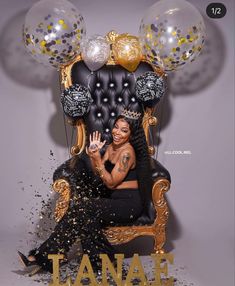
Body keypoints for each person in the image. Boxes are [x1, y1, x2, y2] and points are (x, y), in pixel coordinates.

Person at [18, 109, 153, 275]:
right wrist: (92, 154)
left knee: (82, 209)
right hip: (114, 200)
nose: (117, 132)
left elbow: (111, 183)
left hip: (128, 204)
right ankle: (101, 258)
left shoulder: (127, 153)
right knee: (83, 214)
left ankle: (45, 257)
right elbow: (100, 174)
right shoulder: (112, 146)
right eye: (116, 127)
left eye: (124, 130)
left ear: (131, 134)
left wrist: (97, 159)